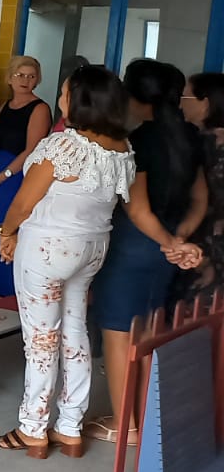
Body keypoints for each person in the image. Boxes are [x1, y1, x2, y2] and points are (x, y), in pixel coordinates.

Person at [0, 65, 135, 459]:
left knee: (41, 339)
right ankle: (70, 427)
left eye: (65, 92)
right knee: (74, 332)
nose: (60, 97)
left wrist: (6, 233)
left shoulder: (63, 146)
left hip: (47, 248)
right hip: (92, 249)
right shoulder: (122, 148)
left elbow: (23, 203)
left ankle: (33, 428)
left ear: (80, 101)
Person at [85, 60, 206, 447]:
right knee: (149, 332)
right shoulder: (189, 137)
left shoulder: (136, 141)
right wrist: (178, 241)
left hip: (133, 246)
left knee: (118, 335)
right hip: (165, 249)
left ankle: (125, 425)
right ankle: (142, 417)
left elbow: (137, 210)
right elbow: (199, 200)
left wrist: (169, 242)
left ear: (133, 95)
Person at [0, 56, 51, 300]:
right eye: (20, 75)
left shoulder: (40, 108)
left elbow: (31, 150)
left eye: (31, 76)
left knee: (7, 229)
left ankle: (3, 289)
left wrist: (3, 175)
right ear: (10, 78)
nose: (25, 80)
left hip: (15, 176)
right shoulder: (4, 105)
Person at [173, 72, 224, 303]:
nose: (180, 104)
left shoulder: (201, 144)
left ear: (205, 104)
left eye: (185, 97)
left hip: (204, 244)